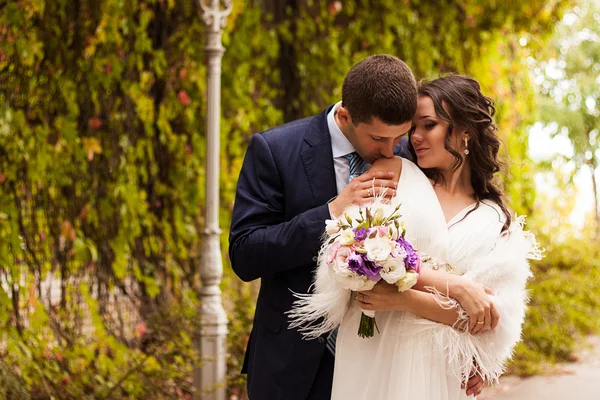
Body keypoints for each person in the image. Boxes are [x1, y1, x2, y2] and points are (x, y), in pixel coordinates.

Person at [229, 56, 497, 399]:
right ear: (345, 116)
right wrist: (331, 212)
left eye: (399, 136)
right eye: (378, 139)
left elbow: (443, 240)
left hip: (382, 365)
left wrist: (468, 348)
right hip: (291, 366)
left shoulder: (409, 155)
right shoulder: (276, 149)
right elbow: (245, 254)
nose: (391, 148)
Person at [325, 75, 540, 399]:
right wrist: (455, 287)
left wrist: (406, 299)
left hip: (438, 368)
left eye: (429, 125)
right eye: (414, 128)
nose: (416, 138)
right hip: (372, 349)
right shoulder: (393, 171)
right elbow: (354, 252)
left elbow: (489, 318)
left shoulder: (494, 218)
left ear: (465, 131)